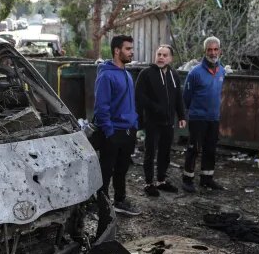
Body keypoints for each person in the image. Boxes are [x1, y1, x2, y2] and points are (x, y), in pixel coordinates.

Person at [94, 35, 141, 216]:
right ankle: (102, 206)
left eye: (131, 49)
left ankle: (120, 201)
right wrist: (109, 131)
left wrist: (134, 123)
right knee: (106, 170)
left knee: (122, 169)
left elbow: (131, 103)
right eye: (128, 49)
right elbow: (101, 107)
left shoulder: (127, 74)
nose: (131, 52)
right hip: (113, 132)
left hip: (128, 131)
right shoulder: (106, 75)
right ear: (117, 50)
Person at [135, 44, 187, 197]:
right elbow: (139, 96)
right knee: (150, 152)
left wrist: (182, 116)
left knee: (165, 152)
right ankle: (149, 183)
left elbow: (178, 97)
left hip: (168, 121)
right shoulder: (146, 74)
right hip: (152, 121)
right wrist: (154, 108)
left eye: (165, 55)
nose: (161, 57)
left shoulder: (173, 74)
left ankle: (161, 180)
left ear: (170, 58)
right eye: (159, 54)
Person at [182, 36, 226, 192]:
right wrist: (191, 112)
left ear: (220, 51)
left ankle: (207, 179)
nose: (213, 53)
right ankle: (187, 179)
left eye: (215, 49)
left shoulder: (222, 70)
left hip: (213, 118)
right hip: (198, 118)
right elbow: (186, 96)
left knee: (210, 149)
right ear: (205, 51)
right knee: (193, 149)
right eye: (209, 50)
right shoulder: (195, 72)